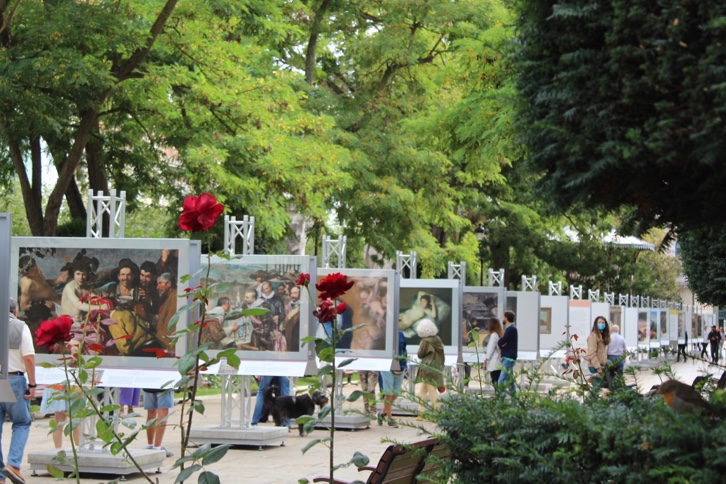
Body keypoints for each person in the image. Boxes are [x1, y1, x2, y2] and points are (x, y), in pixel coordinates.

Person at [1, 298, 37, 484]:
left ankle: (0, 474)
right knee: (21, 423)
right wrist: (32, 384)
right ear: (15, 312)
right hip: (14, 379)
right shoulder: (20, 326)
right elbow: (29, 358)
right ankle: (13, 465)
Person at [377, 331, 408, 428]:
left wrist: (404, 363)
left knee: (395, 394)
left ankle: (382, 414)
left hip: (400, 366)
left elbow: (404, 350)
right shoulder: (383, 334)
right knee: (388, 393)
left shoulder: (401, 334)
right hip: (386, 365)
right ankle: (390, 418)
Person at [415, 318, 444, 420]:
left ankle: (437, 413)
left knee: (432, 392)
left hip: (427, 369)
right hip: (436, 368)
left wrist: (420, 346)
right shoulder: (438, 340)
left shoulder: (426, 341)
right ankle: (421, 412)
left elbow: (420, 354)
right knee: (423, 391)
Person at [143, 388, 174, 457]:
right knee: (162, 413)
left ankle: (150, 445)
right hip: (164, 386)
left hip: (149, 385)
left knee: (151, 413)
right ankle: (157, 447)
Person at [497, 310, 518, 394]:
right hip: (508, 357)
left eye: (503, 317)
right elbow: (503, 342)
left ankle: (501, 401)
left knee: (501, 381)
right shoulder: (512, 329)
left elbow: (501, 342)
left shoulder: (511, 329)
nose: (503, 318)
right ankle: (514, 399)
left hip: (508, 358)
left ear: (506, 318)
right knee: (510, 381)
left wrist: (502, 343)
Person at [586, 316, 611, 389]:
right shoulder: (593, 336)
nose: (601, 324)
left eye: (603, 323)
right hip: (595, 366)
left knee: (601, 387)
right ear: (595, 324)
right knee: (596, 387)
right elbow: (592, 353)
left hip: (602, 366)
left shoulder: (602, 336)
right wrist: (598, 367)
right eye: (599, 322)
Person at [155, 273, 177, 349]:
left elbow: (170, 326)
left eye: (160, 283)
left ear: (169, 284)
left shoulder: (174, 297)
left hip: (167, 343)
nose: (157, 287)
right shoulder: (169, 297)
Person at [482, 317, 503, 386]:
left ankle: (499, 396)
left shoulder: (493, 335)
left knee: (495, 381)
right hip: (498, 362)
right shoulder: (499, 335)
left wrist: (485, 360)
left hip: (494, 363)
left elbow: (490, 349)